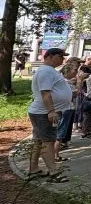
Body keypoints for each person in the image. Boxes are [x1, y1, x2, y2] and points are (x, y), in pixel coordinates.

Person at [27, 48, 72, 182]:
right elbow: (45, 93)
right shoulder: (45, 71)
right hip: (44, 113)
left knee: (39, 141)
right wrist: (51, 111)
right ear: (50, 56)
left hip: (44, 112)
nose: (62, 59)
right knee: (48, 142)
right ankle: (54, 173)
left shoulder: (49, 71)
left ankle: (33, 169)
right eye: (60, 56)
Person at [54, 60, 80, 159]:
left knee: (58, 132)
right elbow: (75, 94)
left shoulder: (60, 81)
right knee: (60, 132)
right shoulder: (66, 83)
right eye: (75, 70)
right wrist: (79, 81)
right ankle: (55, 156)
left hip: (60, 108)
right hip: (65, 109)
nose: (76, 72)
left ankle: (54, 155)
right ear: (67, 71)